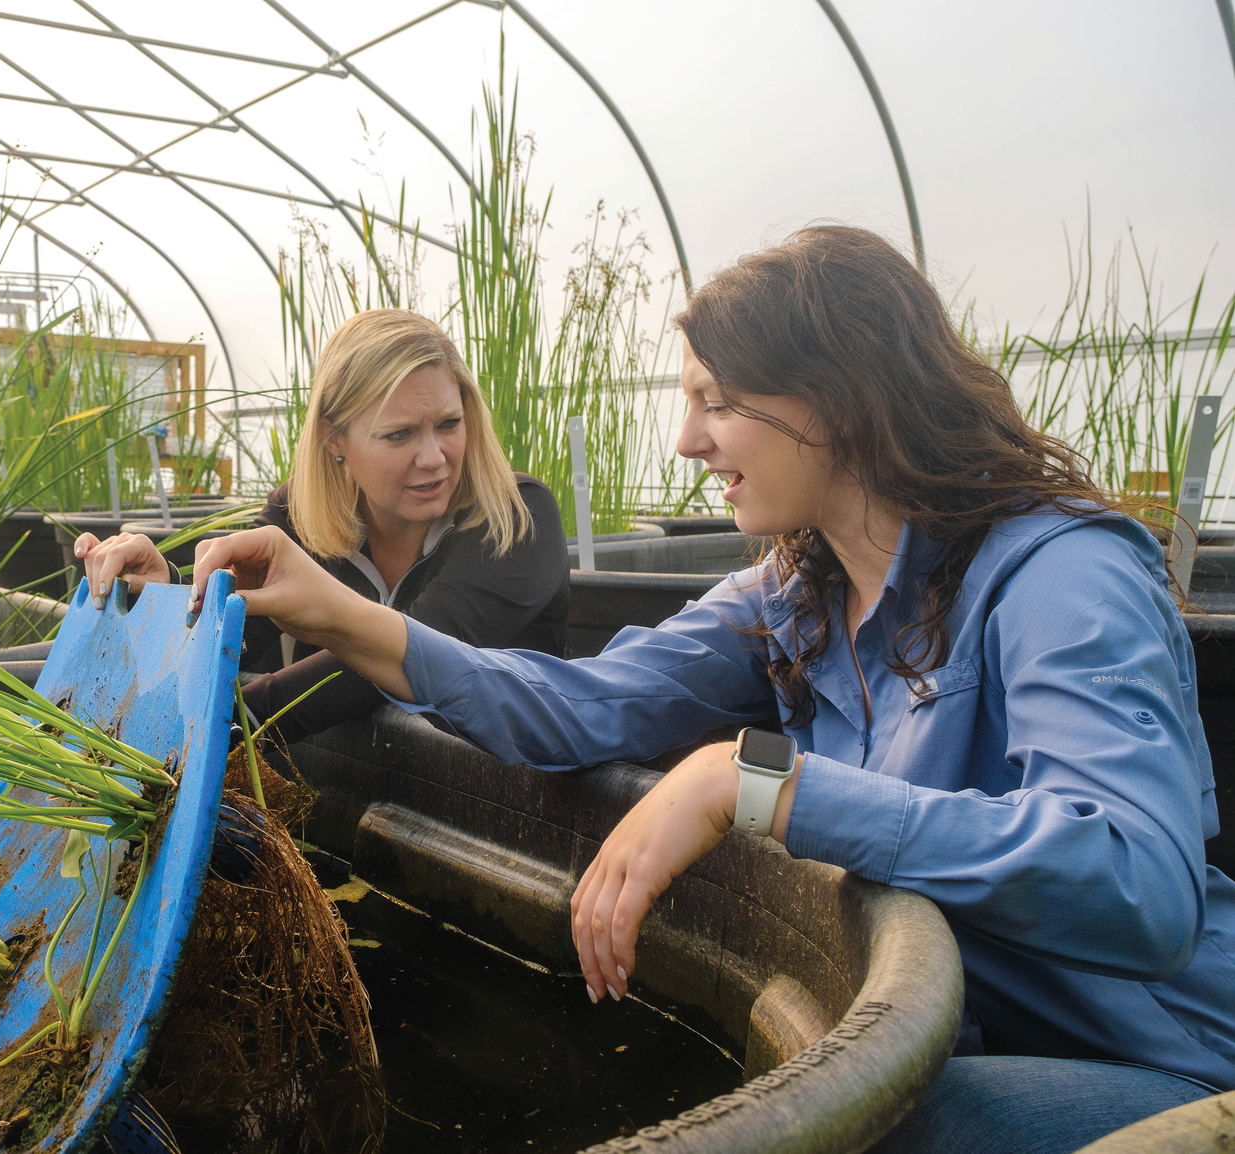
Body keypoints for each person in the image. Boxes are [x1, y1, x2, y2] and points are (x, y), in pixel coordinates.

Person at [187, 227, 1234, 1153]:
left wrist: (757, 778)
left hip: (1170, 1071)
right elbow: (577, 706)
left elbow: (1134, 879)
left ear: (840, 401)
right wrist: (333, 607)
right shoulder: (790, 586)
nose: (686, 440)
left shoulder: (1060, 572)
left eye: (717, 402)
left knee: (885, 1120)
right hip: (961, 1035)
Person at [75, 308, 570, 745]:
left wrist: (230, 726)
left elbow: (421, 651)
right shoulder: (302, 514)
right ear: (335, 439)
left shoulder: (517, 518)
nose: (434, 457)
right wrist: (170, 594)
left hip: (497, 808)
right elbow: (238, 630)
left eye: (448, 424)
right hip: (348, 794)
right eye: (399, 434)